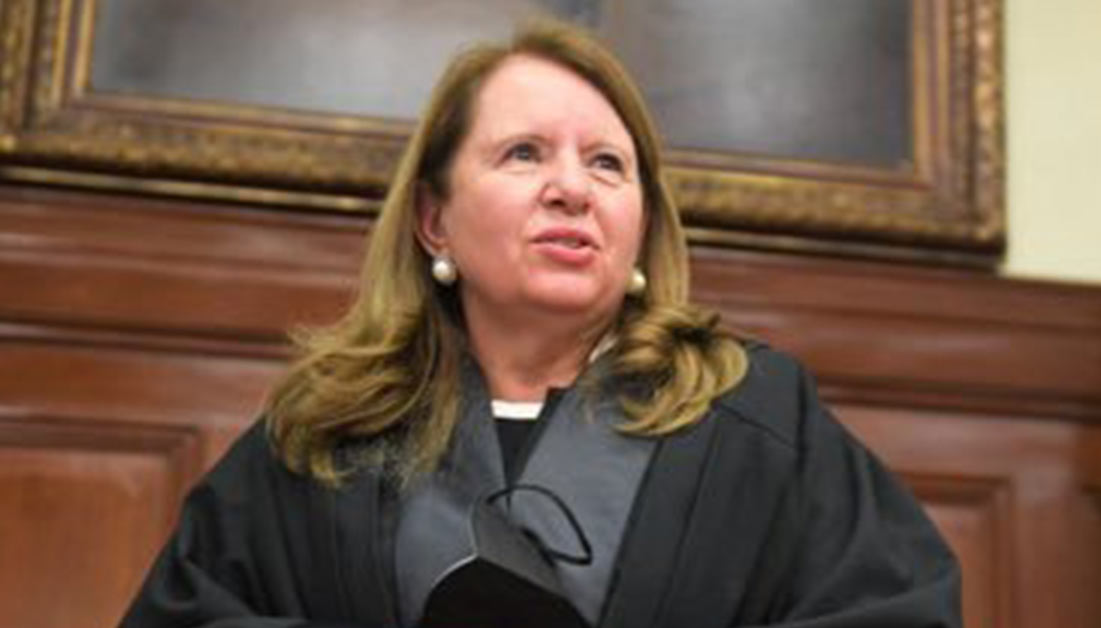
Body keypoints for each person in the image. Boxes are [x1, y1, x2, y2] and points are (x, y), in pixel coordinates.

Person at [120, 19, 961, 628]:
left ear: (641, 225)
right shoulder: (327, 433)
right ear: (434, 221)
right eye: (524, 153)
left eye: (607, 163)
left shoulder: (753, 416)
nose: (573, 189)